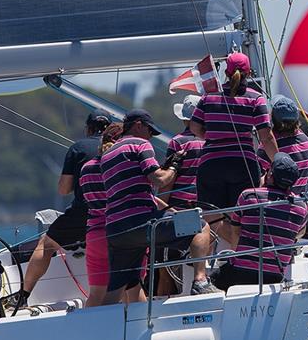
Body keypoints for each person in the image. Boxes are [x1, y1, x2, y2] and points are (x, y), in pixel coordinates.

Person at [100, 108, 218, 305]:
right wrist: (174, 166)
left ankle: (98, 330)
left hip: (116, 229)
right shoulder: (140, 144)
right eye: (150, 131)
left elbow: (130, 190)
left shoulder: (107, 154)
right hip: (141, 222)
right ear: (138, 126)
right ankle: (200, 281)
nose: (151, 137)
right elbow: (160, 180)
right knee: (199, 225)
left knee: (116, 290)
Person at [19, 108, 111, 304]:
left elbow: (63, 189)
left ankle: (23, 295)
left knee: (47, 243)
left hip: (83, 213)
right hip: (114, 213)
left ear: (88, 129)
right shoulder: (119, 148)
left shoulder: (79, 148)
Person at [190, 52, 279, 210]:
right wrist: (278, 162)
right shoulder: (256, 98)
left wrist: (213, 138)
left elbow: (194, 127)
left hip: (211, 164)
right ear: (249, 73)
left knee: (213, 219)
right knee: (242, 217)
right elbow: (266, 137)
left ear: (226, 73)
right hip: (243, 165)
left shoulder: (209, 97)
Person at [212, 153, 308, 291]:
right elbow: (299, 233)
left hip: (241, 272)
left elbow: (236, 232)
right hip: (274, 276)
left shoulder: (248, 196)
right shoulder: (301, 206)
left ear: (270, 175)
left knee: (210, 283)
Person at [79, 123, 145, 307]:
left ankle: (90, 333)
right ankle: (139, 332)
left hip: (95, 235)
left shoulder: (86, 168)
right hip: (120, 232)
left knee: (96, 295)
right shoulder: (122, 165)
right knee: (133, 290)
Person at [155, 94, 205, 295]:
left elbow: (167, 181)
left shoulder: (177, 143)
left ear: (184, 118)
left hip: (179, 210)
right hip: (205, 207)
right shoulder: (210, 142)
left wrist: (161, 207)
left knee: (163, 268)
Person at [258, 95, 308, 196]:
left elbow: (259, 179)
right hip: (299, 199)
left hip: (277, 200)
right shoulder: (305, 141)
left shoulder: (268, 147)